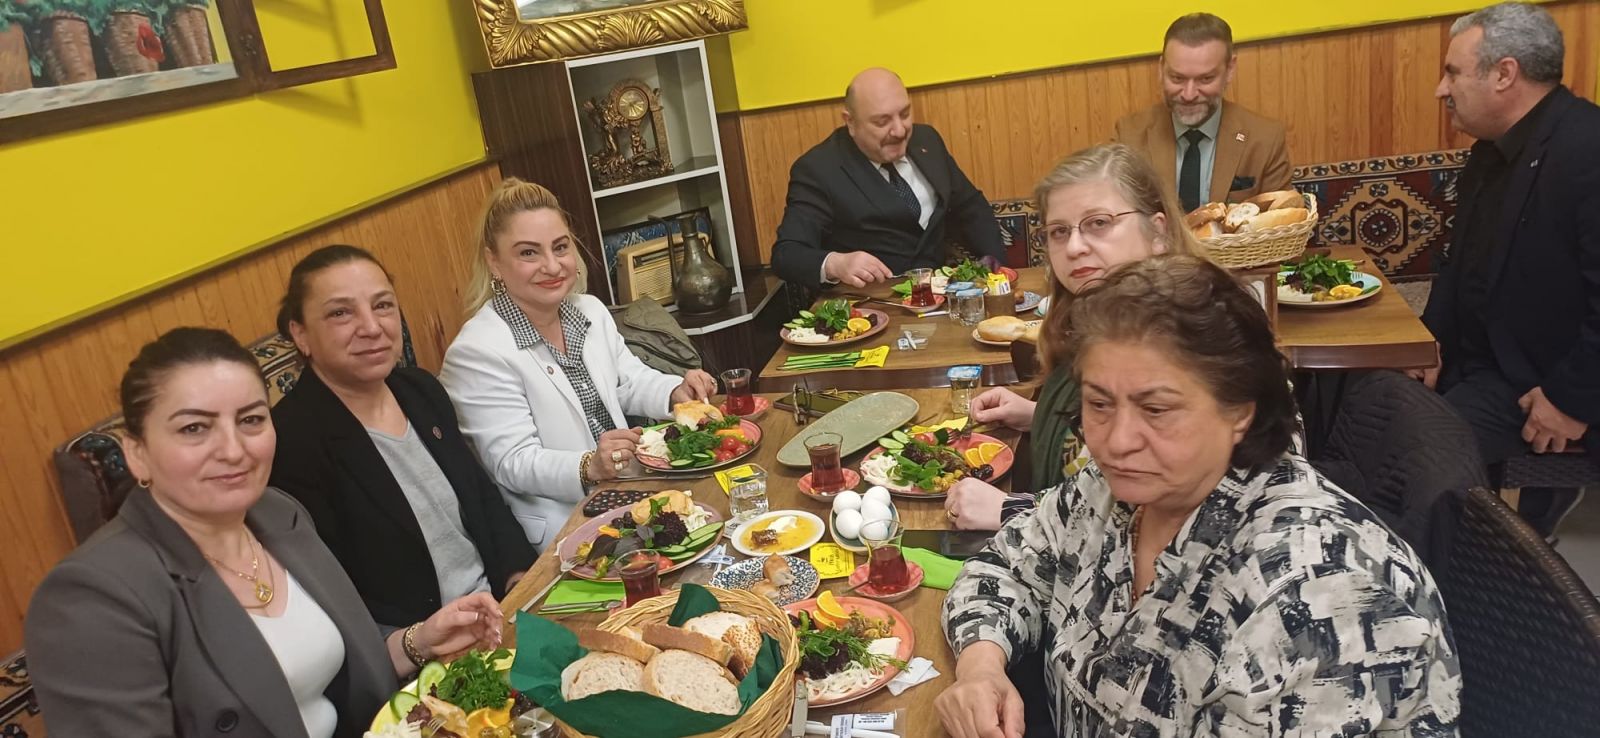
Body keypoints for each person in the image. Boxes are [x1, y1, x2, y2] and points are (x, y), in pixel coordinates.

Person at [936, 256, 1460, 738]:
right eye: (1099, 403)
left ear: (1240, 411)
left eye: (1157, 409)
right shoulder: (1116, 490)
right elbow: (1005, 565)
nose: (1117, 440)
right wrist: (982, 667)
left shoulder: (1320, 601)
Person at [25, 327, 503, 738]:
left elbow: (333, 665)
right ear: (137, 453)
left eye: (251, 419)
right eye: (194, 429)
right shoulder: (90, 597)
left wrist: (420, 641)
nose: (234, 450)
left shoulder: (277, 513)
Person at [440, 178, 717, 549]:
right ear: (494, 261)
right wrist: (589, 465)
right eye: (529, 253)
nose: (552, 265)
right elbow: (513, 462)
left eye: (560, 247)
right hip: (563, 529)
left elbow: (628, 381)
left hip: (632, 493)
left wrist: (675, 390)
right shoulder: (476, 351)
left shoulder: (589, 310)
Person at [269, 245, 537, 628]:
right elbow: (335, 590)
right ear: (301, 334)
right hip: (424, 641)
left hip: (501, 609)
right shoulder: (292, 439)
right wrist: (421, 641)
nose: (371, 327)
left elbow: (483, 497)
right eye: (341, 313)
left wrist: (519, 578)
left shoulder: (421, 390)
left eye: (382, 306)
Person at [944, 143, 1204, 531]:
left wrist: (1011, 509)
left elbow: (1150, 518)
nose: (1075, 247)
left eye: (1098, 223)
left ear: (1158, 232)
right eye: (1059, 231)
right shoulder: (1092, 321)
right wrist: (1041, 417)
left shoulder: (1188, 341)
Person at [1412, 2, 1600, 538]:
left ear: (1504, 74)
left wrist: (1569, 400)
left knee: (1416, 452)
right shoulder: (1488, 155)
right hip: (1480, 363)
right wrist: (1427, 344)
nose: (1441, 90)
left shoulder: (1589, 148)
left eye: (1452, 73)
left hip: (1539, 383)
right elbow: (1459, 267)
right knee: (1362, 398)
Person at [770, 67, 1006, 289]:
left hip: (942, 295)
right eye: (882, 122)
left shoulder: (927, 140)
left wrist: (998, 272)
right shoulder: (819, 170)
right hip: (871, 304)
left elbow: (970, 207)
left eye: (905, 114)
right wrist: (835, 263)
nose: (900, 130)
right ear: (850, 122)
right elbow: (786, 254)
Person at [1112, 13, 1292, 212]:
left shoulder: (1265, 139)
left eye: (1205, 79)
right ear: (1161, 69)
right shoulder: (1129, 136)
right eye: (1177, 78)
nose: (1189, 95)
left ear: (1230, 70)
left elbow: (1280, 221)